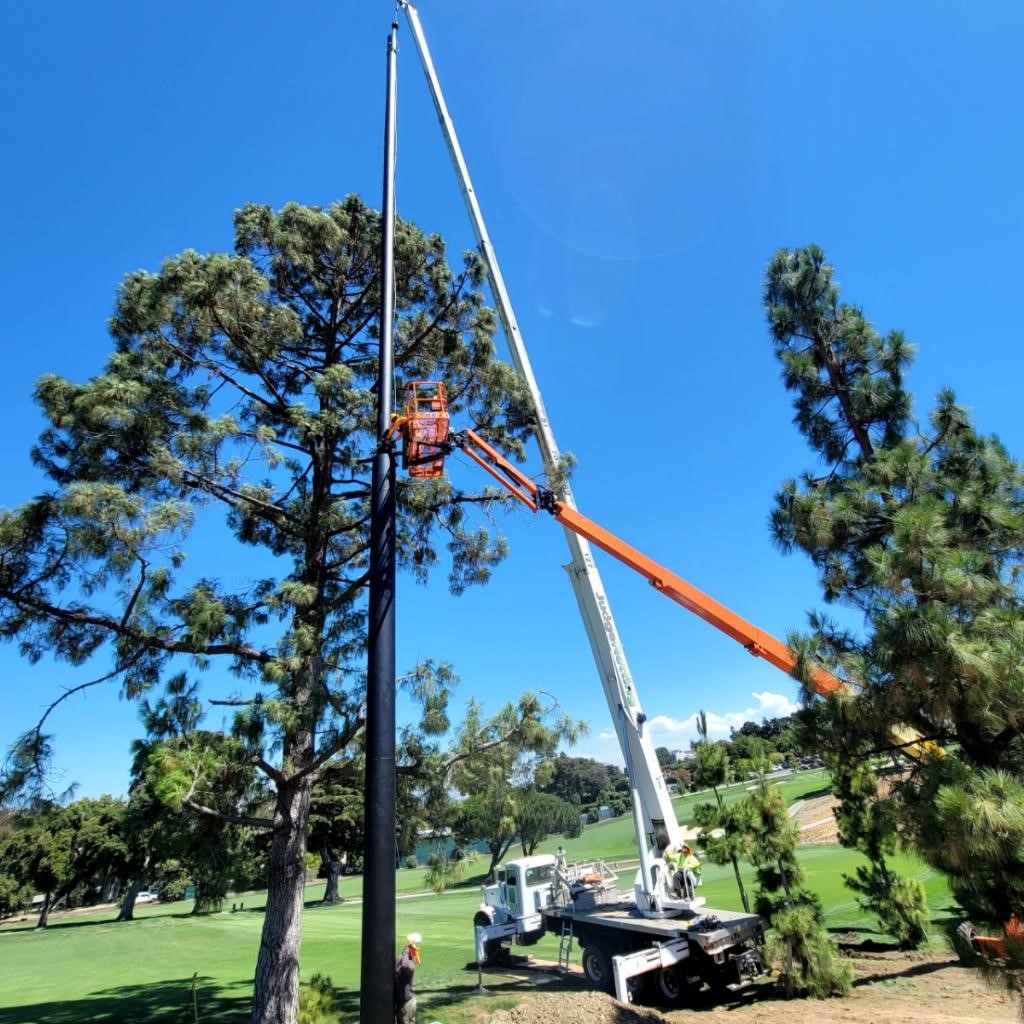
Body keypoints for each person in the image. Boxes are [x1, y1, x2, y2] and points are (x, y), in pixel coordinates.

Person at [394, 932, 422, 1024]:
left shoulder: (410, 964)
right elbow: (397, 962)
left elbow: (406, 965)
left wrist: (407, 950)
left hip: (407, 1003)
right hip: (401, 1002)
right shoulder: (400, 959)